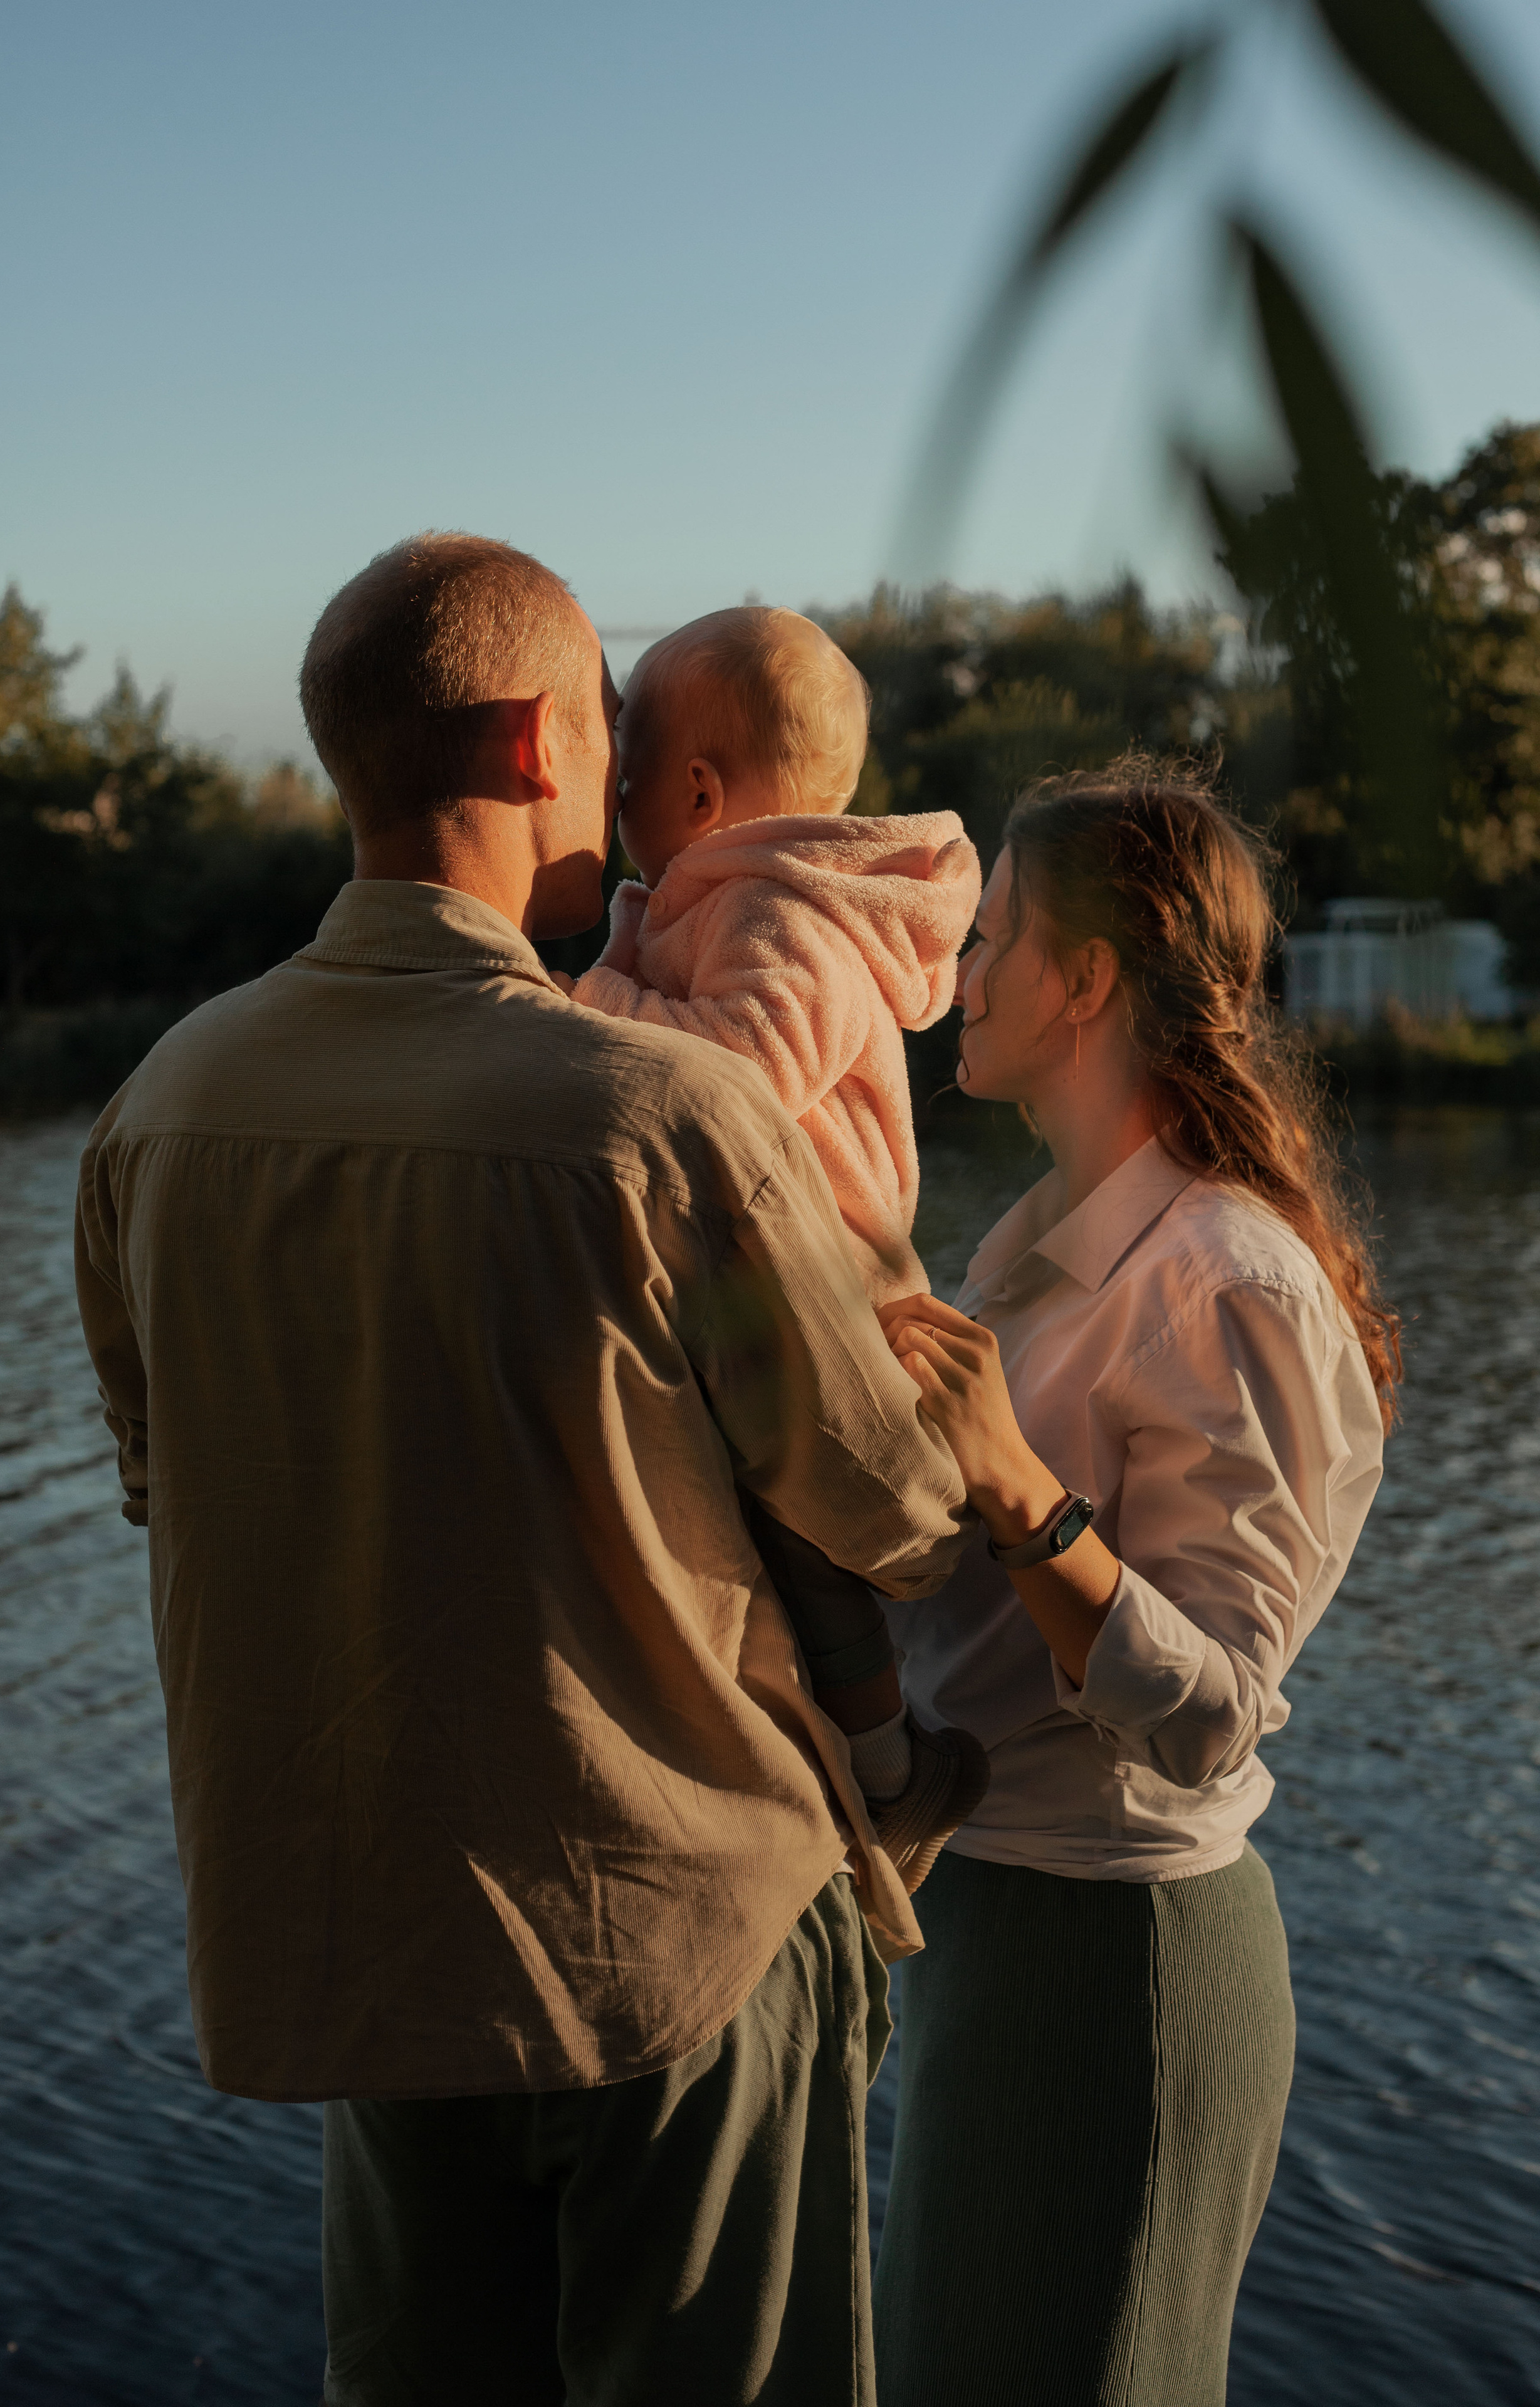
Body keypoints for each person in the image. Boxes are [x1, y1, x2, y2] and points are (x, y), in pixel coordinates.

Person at [73, 534, 973, 2407]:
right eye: (608, 737)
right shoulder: (666, 1113)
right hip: (685, 1949)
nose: (633, 811)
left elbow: (171, 1485)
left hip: (384, 1969)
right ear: (526, 747)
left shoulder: (157, 1112)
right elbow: (886, 1511)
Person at [869, 759, 1395, 2407]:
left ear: (1083, 976)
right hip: (1005, 1936)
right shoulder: (1041, 1245)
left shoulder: (1227, 1278)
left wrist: (1011, 1478)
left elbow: (1216, 1717)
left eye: (992, 939)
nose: (957, 980)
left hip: (1122, 1970)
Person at [567, 604, 986, 1887]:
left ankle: (888, 1771)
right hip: (760, 1280)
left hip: (829, 1291)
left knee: (806, 1543)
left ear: (693, 788)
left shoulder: (779, 915)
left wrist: (585, 1003)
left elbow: (738, 1075)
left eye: (625, 768)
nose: (610, 794)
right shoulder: (723, 898)